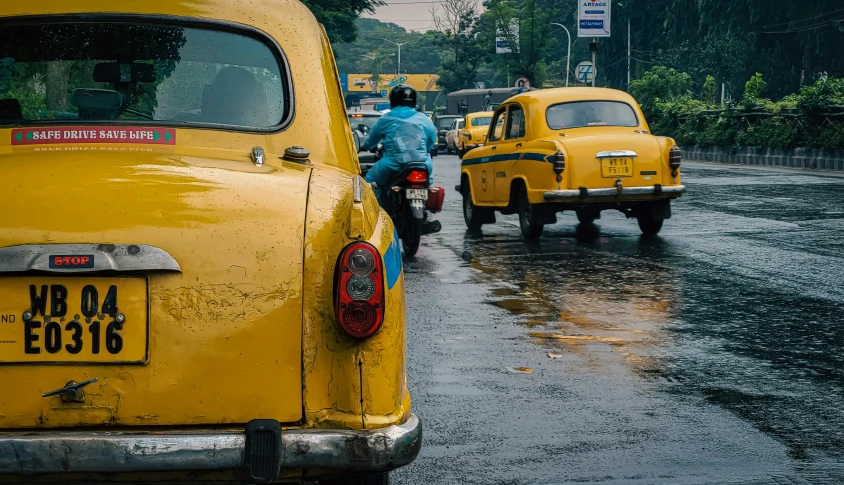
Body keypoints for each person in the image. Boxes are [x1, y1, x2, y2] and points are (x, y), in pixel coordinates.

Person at [362, 85, 437, 204]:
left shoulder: (386, 119)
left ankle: (378, 214)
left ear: (393, 100)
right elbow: (432, 139)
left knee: (370, 180)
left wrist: (365, 147)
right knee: (429, 182)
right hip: (422, 163)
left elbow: (372, 140)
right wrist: (424, 150)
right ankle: (426, 210)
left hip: (393, 163)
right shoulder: (423, 119)